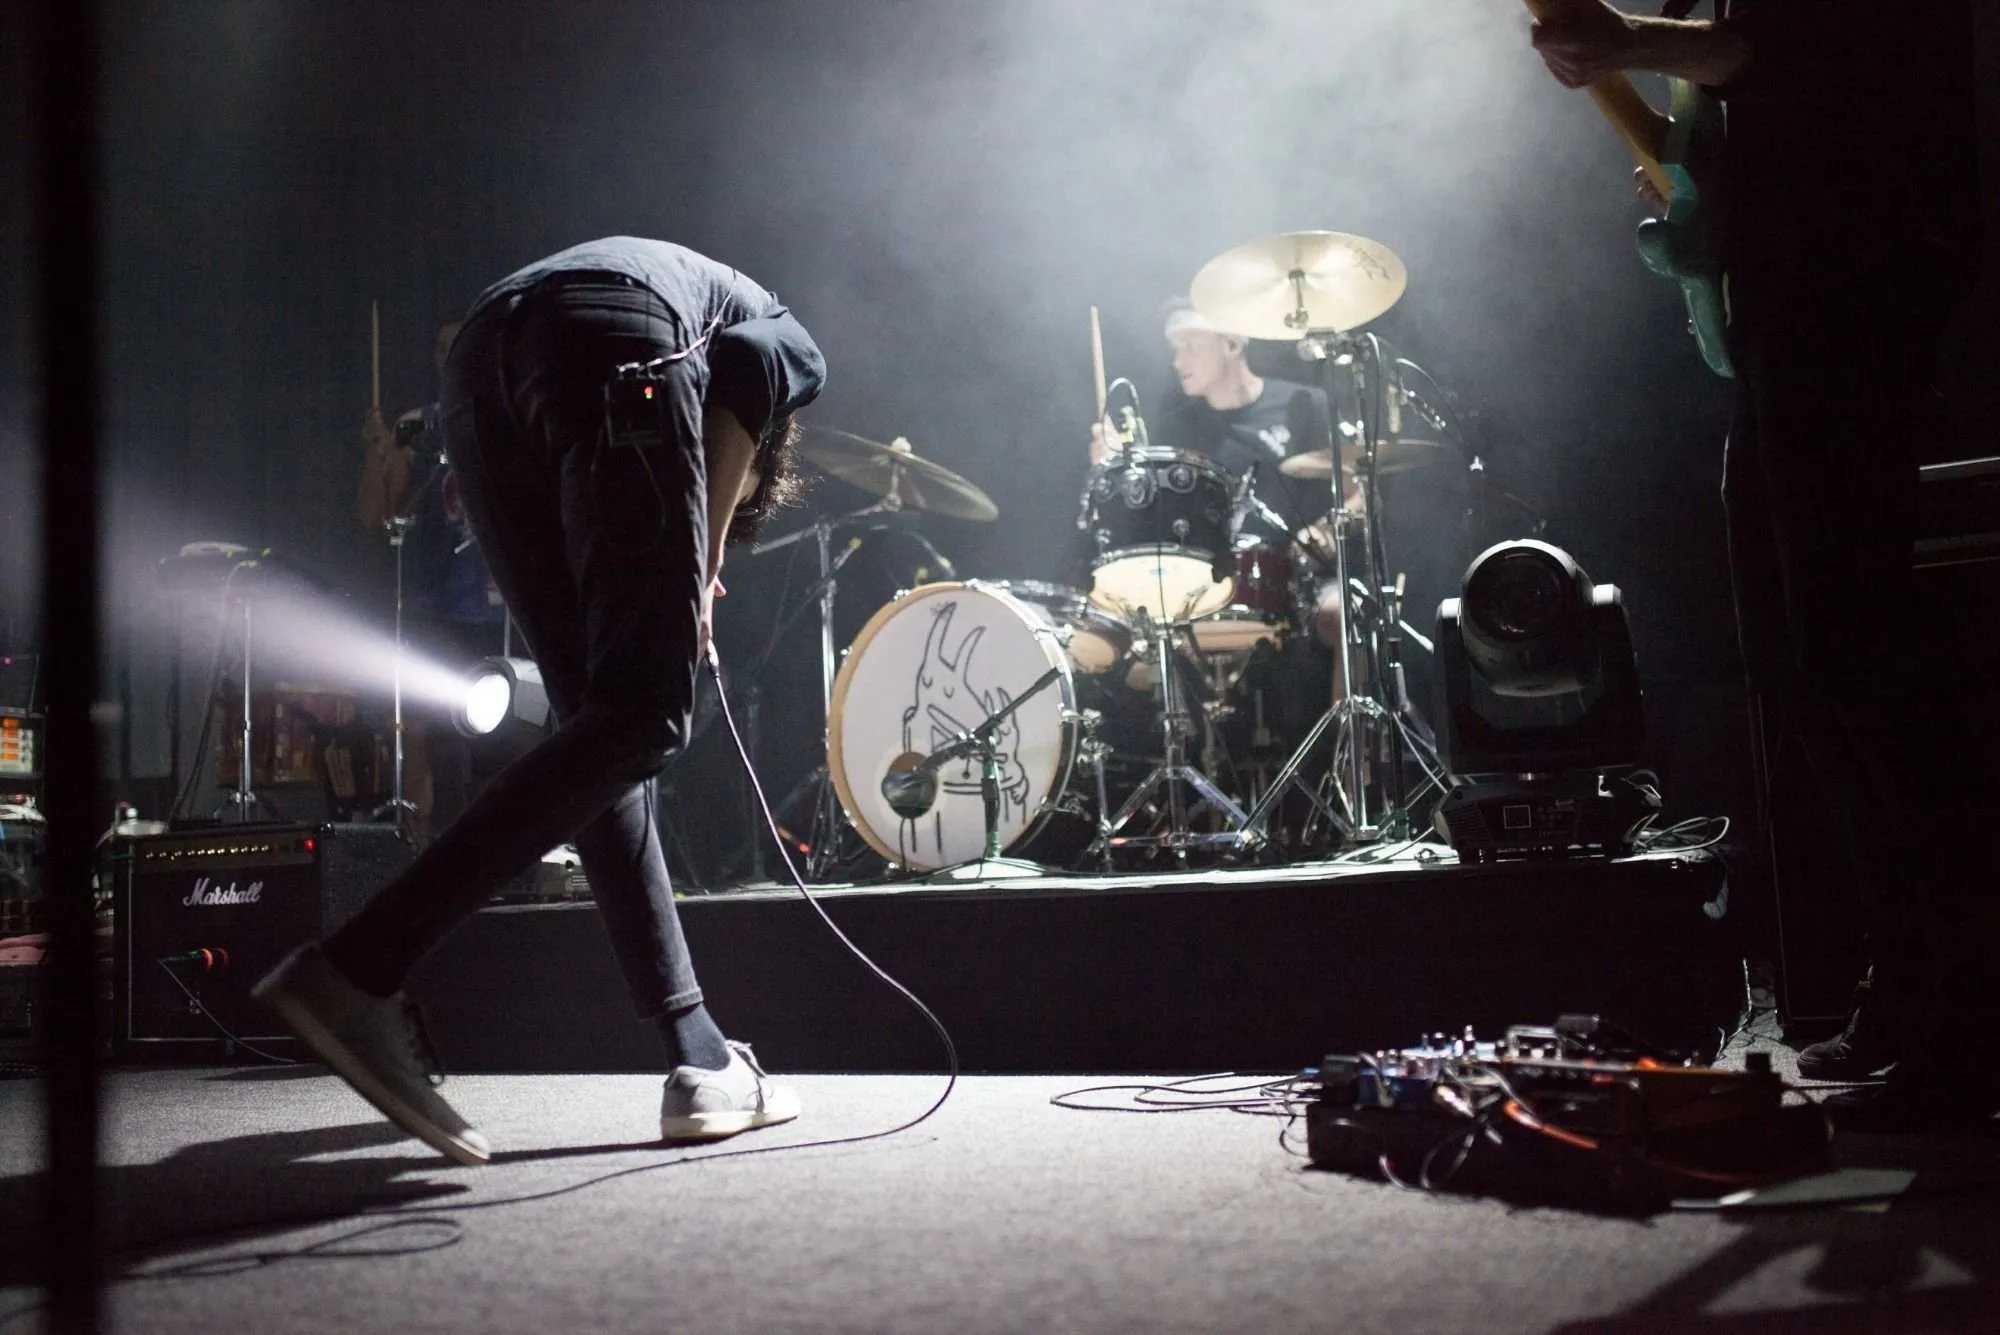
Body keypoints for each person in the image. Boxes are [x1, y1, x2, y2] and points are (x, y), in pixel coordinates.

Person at [258, 237, 827, 1163]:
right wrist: (705, 559)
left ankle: (699, 1054)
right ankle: (360, 966)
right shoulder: (787, 341)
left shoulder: (699, 302)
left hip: (481, 371)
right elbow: (754, 372)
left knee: (603, 728)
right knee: (647, 712)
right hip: (611, 339)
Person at [1531, 1, 1987, 1123]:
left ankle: (1969, 1009)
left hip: (1857, 278)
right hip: (1791, 292)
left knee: (1854, 655)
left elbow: (1795, 49)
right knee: (1801, 665)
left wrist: (1624, 39)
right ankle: (1910, 981)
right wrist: (1690, 157)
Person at [357, 320, 508, 845]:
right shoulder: (417, 427)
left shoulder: (503, 414)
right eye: (441, 348)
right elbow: (377, 518)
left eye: (459, 345)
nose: (450, 356)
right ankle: (424, 850)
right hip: (435, 601)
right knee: (423, 727)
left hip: (496, 606)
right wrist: (377, 454)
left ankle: (497, 848)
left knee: (498, 736)